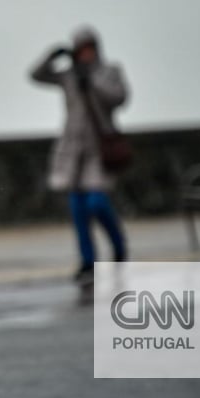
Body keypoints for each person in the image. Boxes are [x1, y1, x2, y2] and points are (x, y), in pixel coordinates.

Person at [29, 27, 130, 283]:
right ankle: (87, 262)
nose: (85, 54)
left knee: (96, 202)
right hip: (73, 152)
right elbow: (36, 75)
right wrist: (53, 55)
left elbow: (120, 98)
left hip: (99, 149)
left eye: (89, 48)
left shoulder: (109, 71)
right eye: (80, 49)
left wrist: (92, 82)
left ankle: (118, 245)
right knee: (78, 210)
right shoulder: (69, 76)